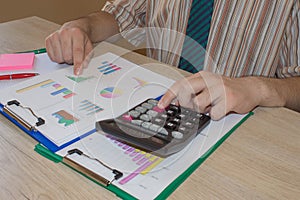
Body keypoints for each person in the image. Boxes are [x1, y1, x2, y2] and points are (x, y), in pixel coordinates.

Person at [46, 0, 300, 120]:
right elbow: (120, 15)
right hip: (158, 110)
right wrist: (83, 26)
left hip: (235, 127)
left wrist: (259, 88)